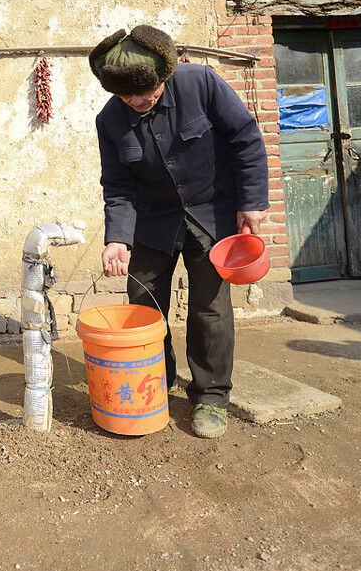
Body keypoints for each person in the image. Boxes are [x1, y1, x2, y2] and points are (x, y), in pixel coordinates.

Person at [89, 25, 269, 439]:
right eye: (127, 97)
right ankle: (158, 380)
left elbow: (245, 138)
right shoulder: (110, 120)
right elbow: (117, 185)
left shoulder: (201, 83)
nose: (138, 102)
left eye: (147, 93)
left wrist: (252, 201)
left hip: (213, 215)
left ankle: (211, 397)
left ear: (164, 76)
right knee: (144, 307)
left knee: (210, 309)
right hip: (153, 224)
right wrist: (117, 237)